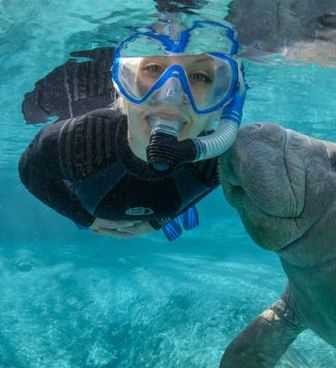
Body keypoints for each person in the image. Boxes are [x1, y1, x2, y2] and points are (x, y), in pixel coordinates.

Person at [19, 18, 246, 241]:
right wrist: (83, 218)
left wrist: (161, 220)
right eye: (154, 68)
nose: (171, 97)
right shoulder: (79, 139)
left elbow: (210, 182)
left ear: (220, 105)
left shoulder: (219, 157)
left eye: (199, 76)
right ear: (123, 89)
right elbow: (31, 173)